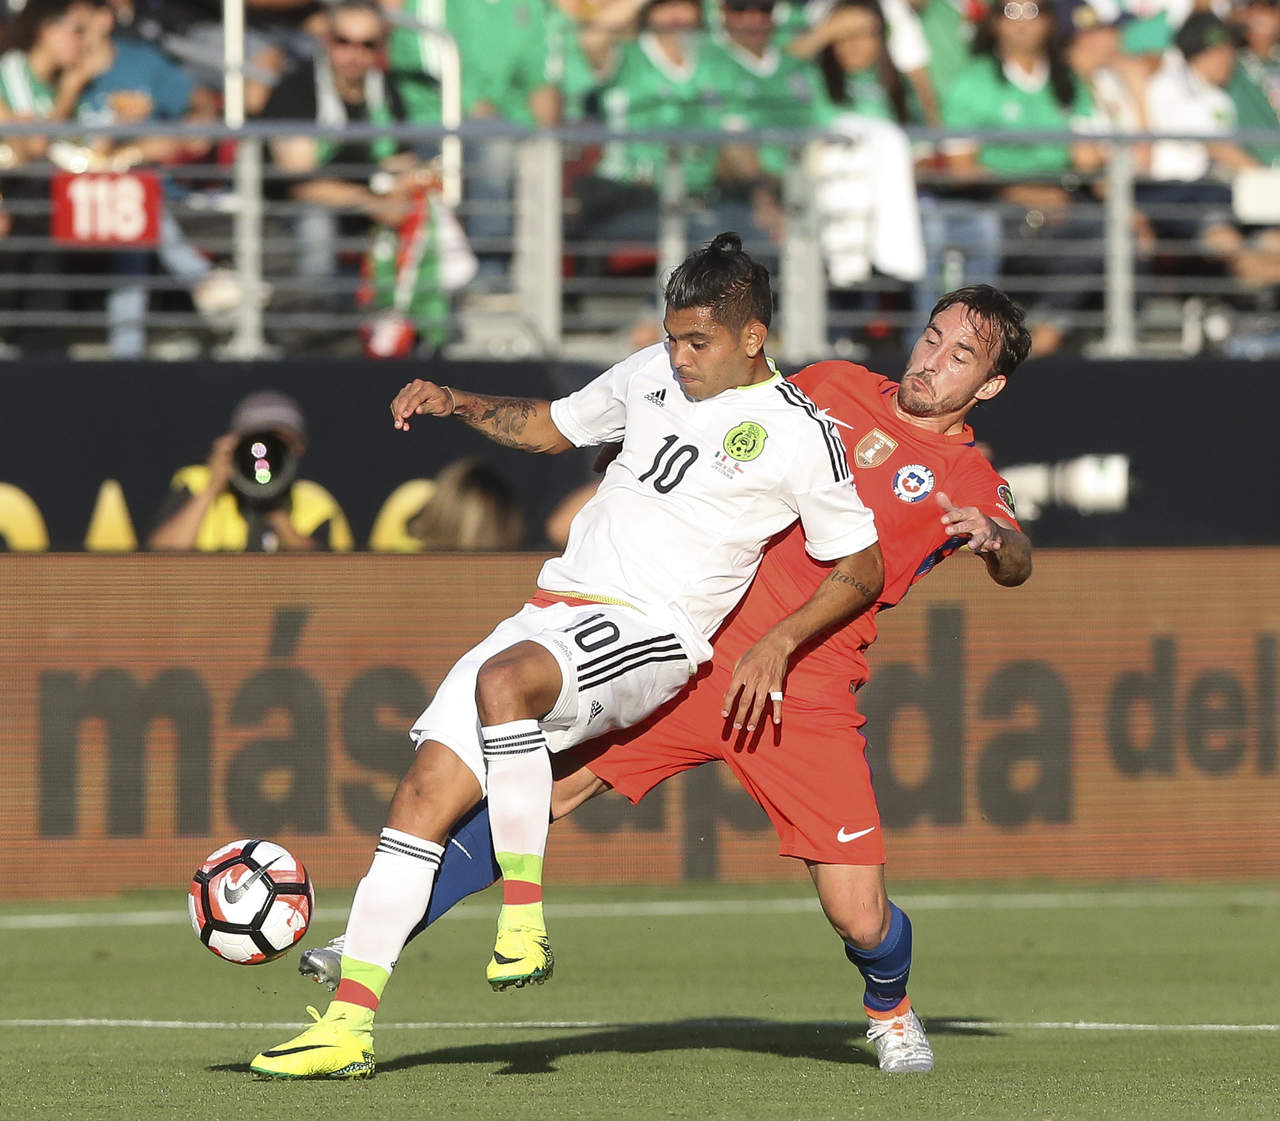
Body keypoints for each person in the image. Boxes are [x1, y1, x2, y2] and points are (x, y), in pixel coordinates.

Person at [300, 283, 1033, 1076]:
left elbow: (1019, 559)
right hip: (698, 654)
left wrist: (996, 540)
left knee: (859, 916)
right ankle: (379, 931)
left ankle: (890, 1012)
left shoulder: (963, 474)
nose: (933, 360)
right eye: (932, 338)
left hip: (806, 686)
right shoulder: (829, 385)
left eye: (962, 356)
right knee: (537, 792)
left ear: (989, 387)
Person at [147, 390, 354, 552]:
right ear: (236, 443)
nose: (264, 457)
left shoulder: (314, 502)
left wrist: (275, 510)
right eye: (257, 444)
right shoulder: (196, 482)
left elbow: (329, 579)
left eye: (279, 445)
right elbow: (160, 561)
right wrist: (212, 488)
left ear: (298, 449)